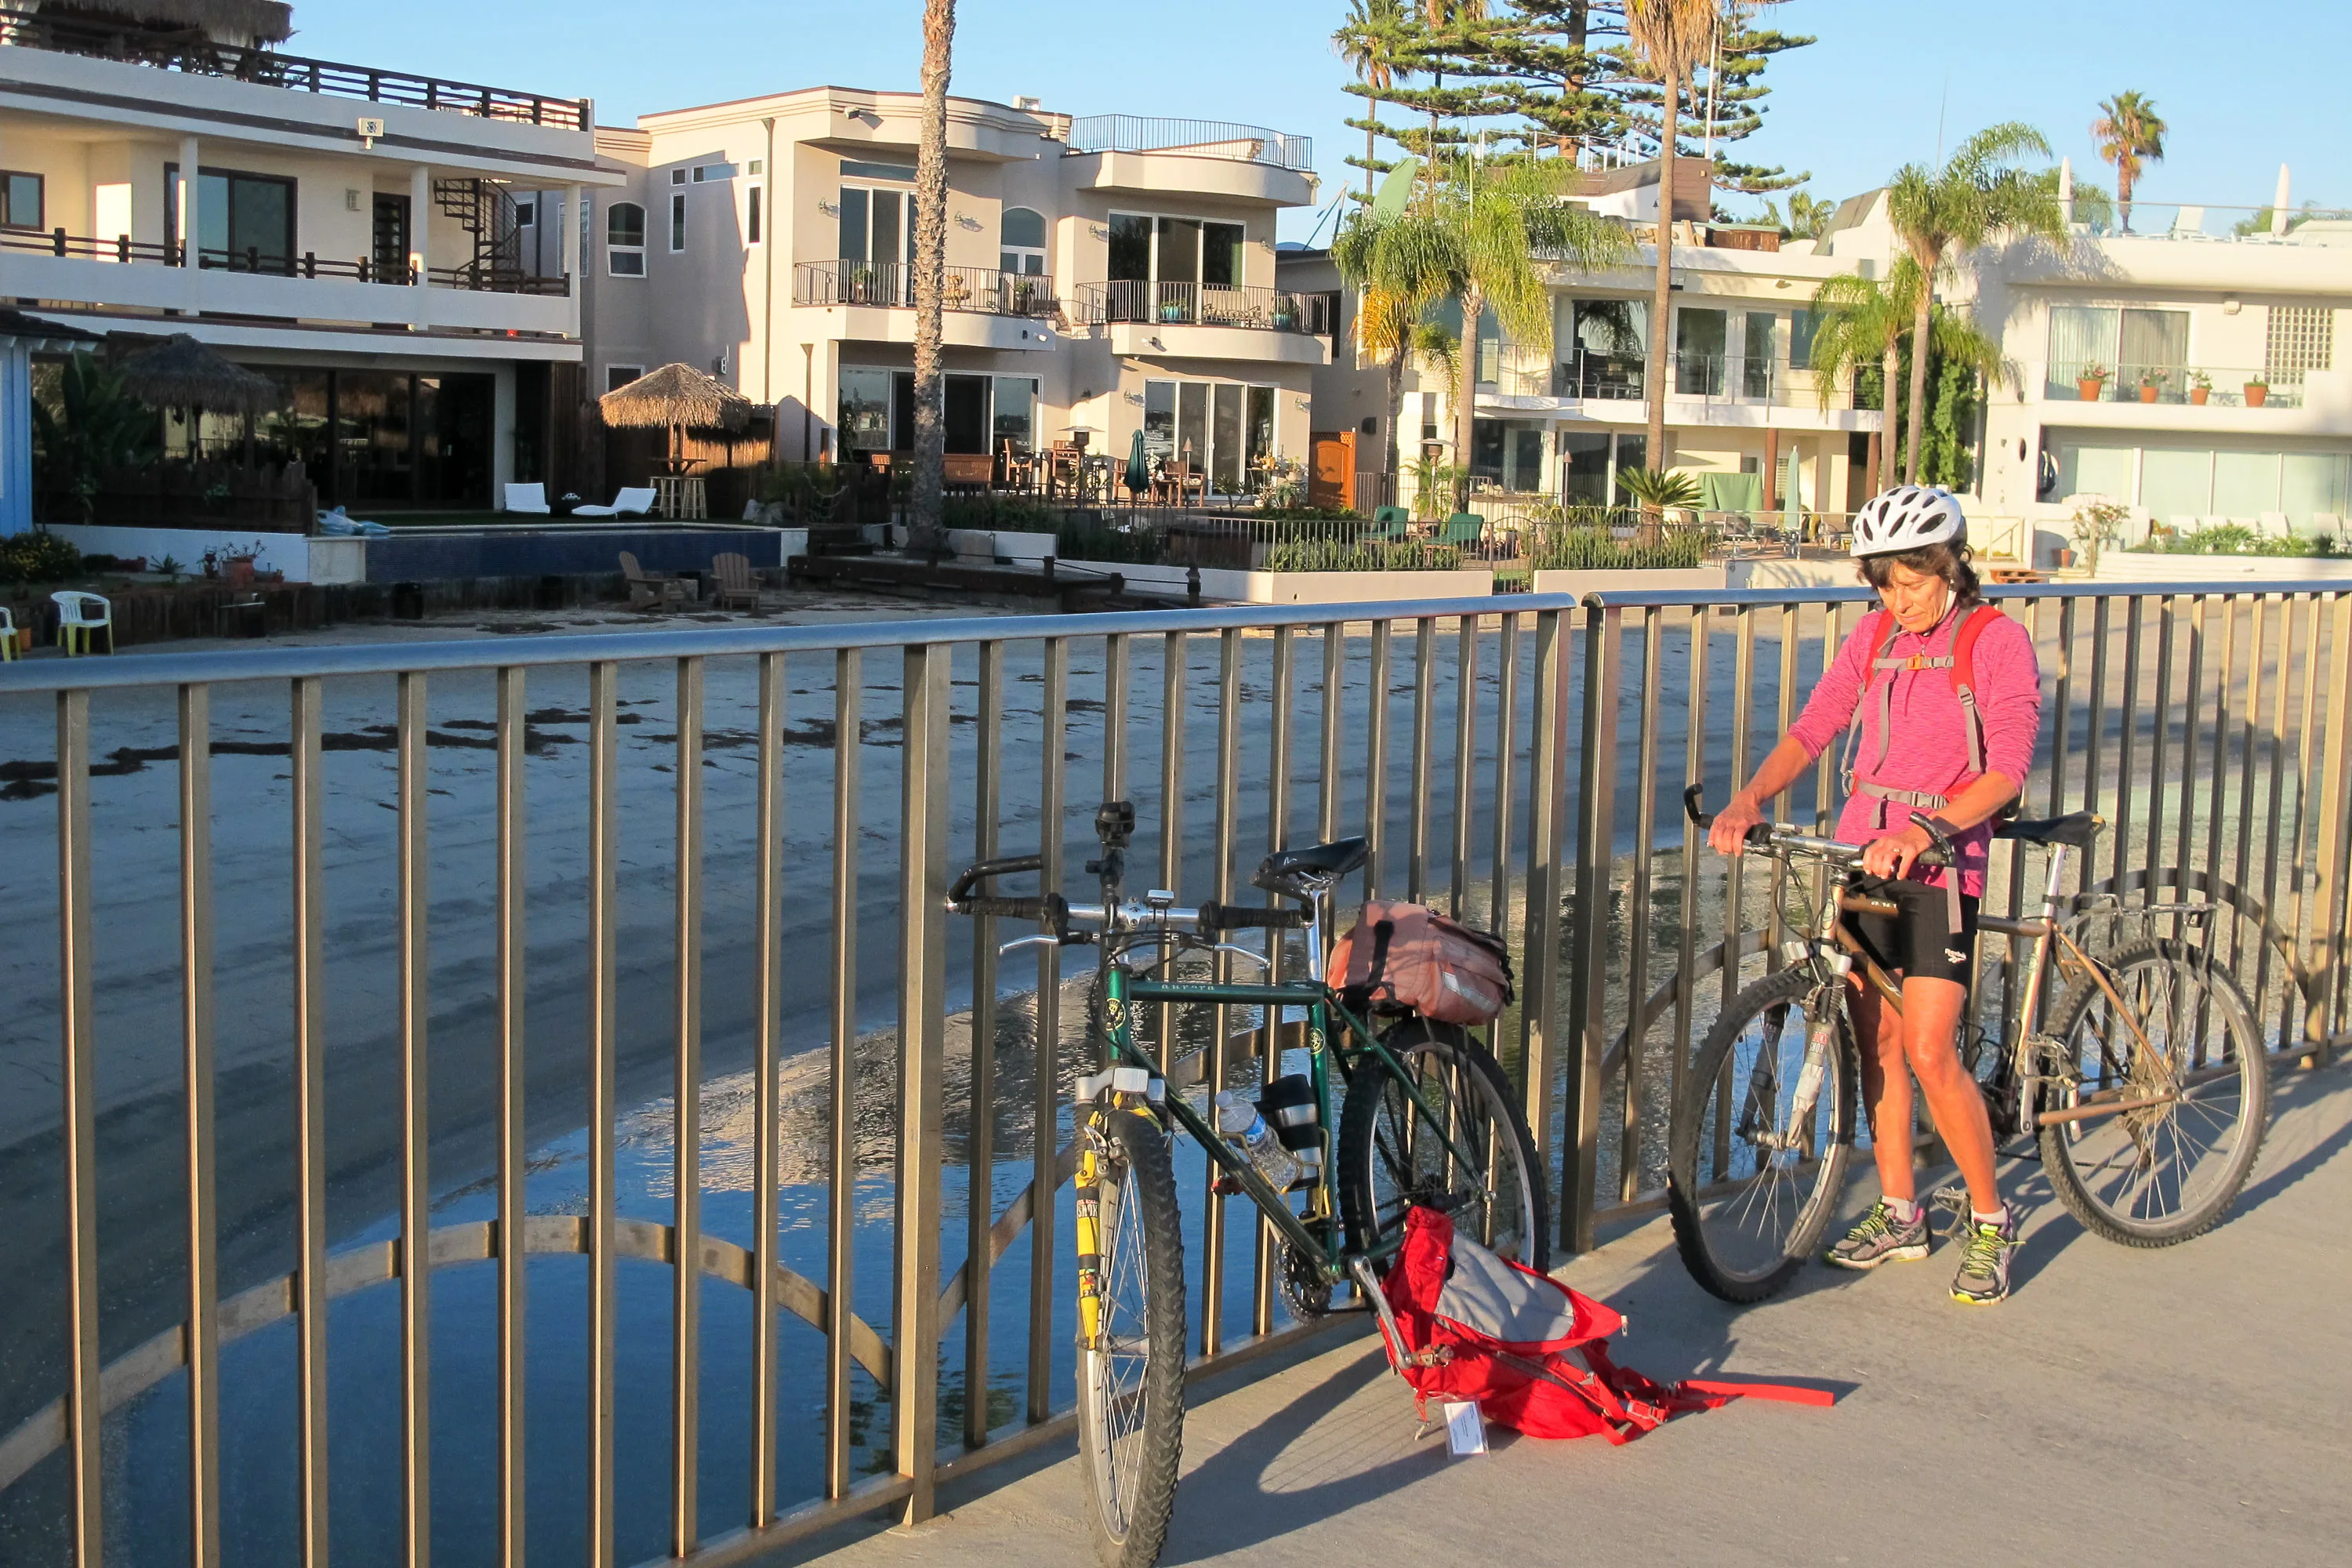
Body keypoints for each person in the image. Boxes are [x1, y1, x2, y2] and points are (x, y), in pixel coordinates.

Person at [1708, 485, 2042, 1305]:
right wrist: (1750, 798)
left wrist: (1927, 830)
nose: (1900, 599)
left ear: (1950, 565)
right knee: (1876, 1042)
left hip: (1939, 868)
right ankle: (1901, 1213)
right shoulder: (1878, 634)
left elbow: (2007, 770)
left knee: (1929, 1049)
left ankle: (1992, 1221)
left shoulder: (1996, 642)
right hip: (1867, 857)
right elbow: (1815, 726)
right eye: (1885, 583)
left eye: (1912, 581)